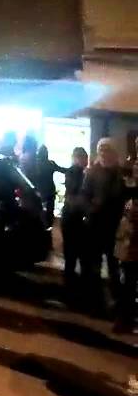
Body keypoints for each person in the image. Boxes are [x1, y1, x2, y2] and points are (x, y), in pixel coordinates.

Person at [83, 137, 128, 314]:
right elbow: (85, 195)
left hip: (114, 226)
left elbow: (126, 196)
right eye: (101, 149)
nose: (103, 153)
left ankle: (116, 301)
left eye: (107, 149)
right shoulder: (92, 172)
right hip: (95, 225)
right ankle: (95, 299)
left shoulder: (120, 172)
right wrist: (90, 210)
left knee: (113, 265)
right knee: (94, 263)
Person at [61, 147, 91, 301]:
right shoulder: (75, 172)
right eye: (83, 158)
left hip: (73, 219)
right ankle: (72, 291)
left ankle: (73, 289)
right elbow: (75, 193)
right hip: (72, 219)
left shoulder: (80, 172)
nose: (85, 161)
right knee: (74, 256)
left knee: (74, 256)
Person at [115, 199, 138, 334]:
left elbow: (120, 235)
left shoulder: (128, 215)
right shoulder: (130, 218)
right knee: (129, 289)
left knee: (127, 288)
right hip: (131, 256)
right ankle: (125, 321)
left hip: (129, 256)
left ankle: (123, 321)